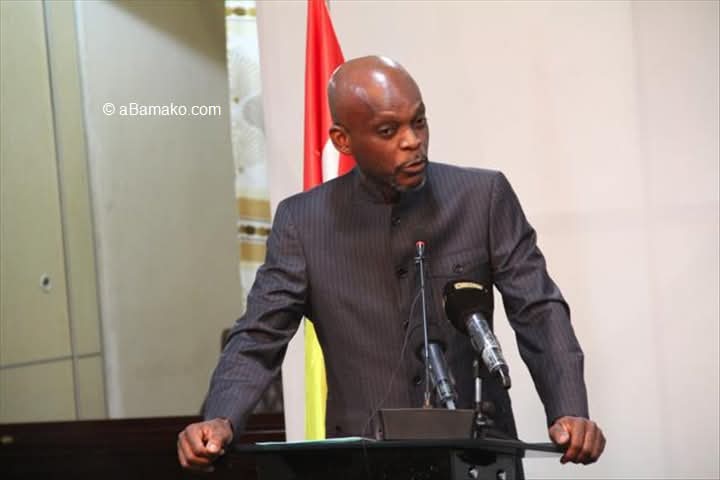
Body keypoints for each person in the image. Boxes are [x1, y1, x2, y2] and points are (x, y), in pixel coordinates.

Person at [177, 55, 606, 472]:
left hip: (477, 458)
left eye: (418, 121)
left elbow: (538, 310)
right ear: (343, 141)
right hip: (363, 461)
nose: (412, 140)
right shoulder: (303, 223)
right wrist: (221, 418)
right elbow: (259, 336)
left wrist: (568, 409)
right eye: (388, 130)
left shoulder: (482, 198)